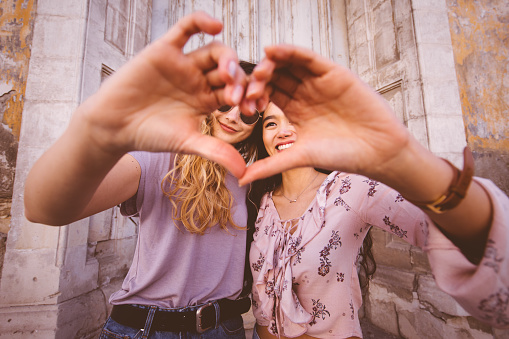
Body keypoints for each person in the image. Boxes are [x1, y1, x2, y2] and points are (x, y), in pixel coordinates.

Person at [239, 46, 509, 339]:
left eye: (295, 119)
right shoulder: (258, 200)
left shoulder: (351, 188)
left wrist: (415, 165)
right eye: (271, 123)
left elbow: (431, 227)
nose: (283, 131)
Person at [24, 12, 263, 339]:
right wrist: (93, 131)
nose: (235, 116)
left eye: (250, 110)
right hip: (145, 329)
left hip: (224, 329)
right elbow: (42, 209)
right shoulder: (160, 156)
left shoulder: (256, 177)